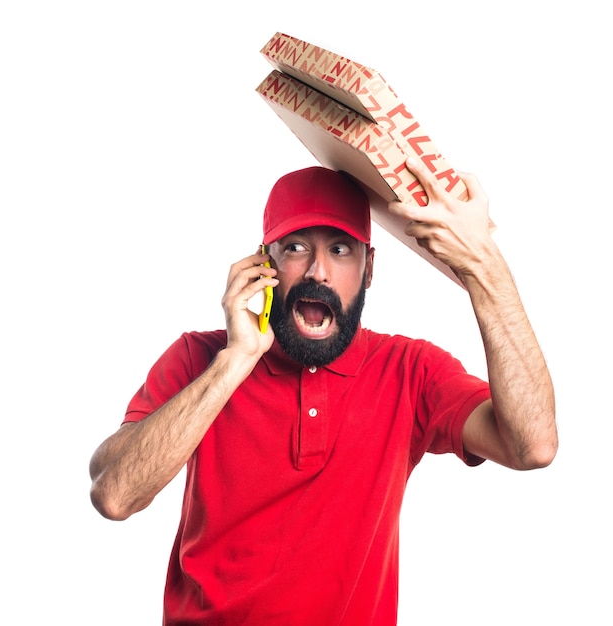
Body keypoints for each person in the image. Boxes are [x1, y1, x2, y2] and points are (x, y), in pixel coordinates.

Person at [89, 158, 557, 625]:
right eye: (294, 248)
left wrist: (484, 268)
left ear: (369, 268)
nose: (318, 272)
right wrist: (234, 362)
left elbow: (532, 445)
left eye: (340, 250)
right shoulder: (200, 358)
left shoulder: (412, 372)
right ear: (263, 265)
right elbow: (114, 495)